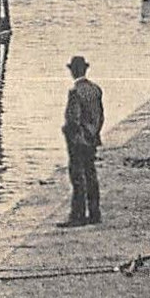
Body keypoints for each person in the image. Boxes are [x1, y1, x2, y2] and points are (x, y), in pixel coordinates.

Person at [59, 55, 105, 227]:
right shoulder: (95, 89)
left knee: (77, 177)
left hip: (78, 142)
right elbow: (101, 117)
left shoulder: (75, 92)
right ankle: (94, 213)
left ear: (73, 72)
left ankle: (78, 215)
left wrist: (70, 134)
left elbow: (73, 120)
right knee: (91, 175)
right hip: (92, 139)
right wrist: (93, 133)